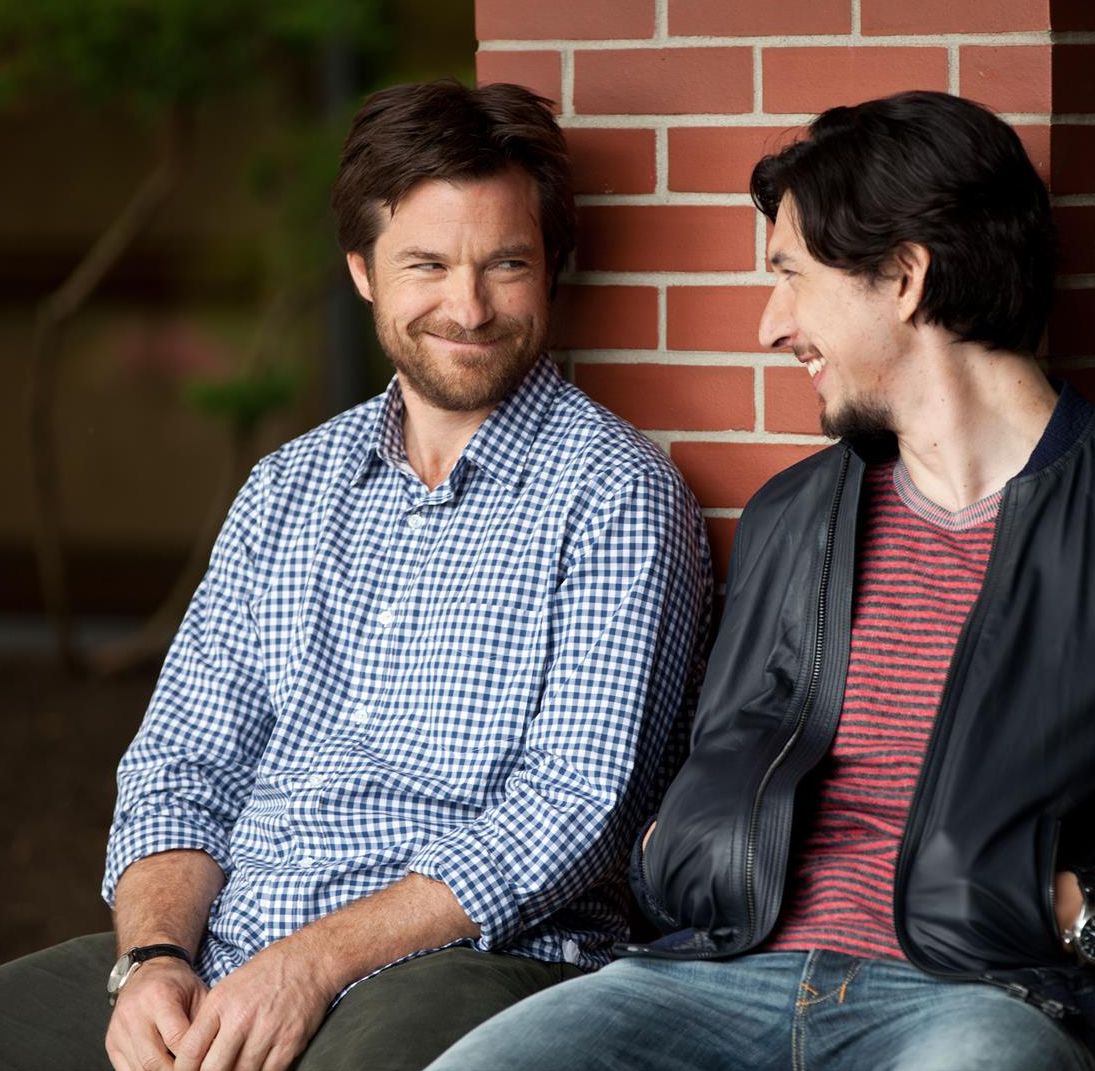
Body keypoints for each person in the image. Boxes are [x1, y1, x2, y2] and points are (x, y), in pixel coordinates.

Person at [426, 90, 1095, 1071]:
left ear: (903, 277)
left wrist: (1083, 908)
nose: (771, 325)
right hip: (713, 978)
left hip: (979, 1000)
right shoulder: (788, 520)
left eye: (790, 278)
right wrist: (673, 848)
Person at [0, 79, 712, 1071]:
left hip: (476, 964)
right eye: (426, 263)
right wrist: (155, 961)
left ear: (550, 270)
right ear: (363, 271)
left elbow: (574, 809)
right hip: (229, 952)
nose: (467, 307)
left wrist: (311, 965)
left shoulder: (614, 495)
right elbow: (179, 764)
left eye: (505, 264)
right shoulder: (288, 488)